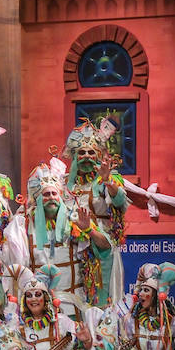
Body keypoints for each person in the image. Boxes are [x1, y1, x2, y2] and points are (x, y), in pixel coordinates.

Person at [4, 157, 114, 326]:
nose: (51, 198)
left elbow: (106, 247)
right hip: (38, 308)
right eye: (46, 194)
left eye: (54, 193)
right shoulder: (22, 226)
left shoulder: (76, 221)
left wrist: (89, 230)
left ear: (61, 196)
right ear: (38, 198)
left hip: (72, 306)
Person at [62, 117, 130, 304]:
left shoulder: (107, 179)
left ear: (98, 155)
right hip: (72, 249)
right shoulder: (64, 183)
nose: (85, 157)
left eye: (90, 152)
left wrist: (107, 181)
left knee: (100, 300)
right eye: (81, 153)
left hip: (101, 248)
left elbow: (120, 201)